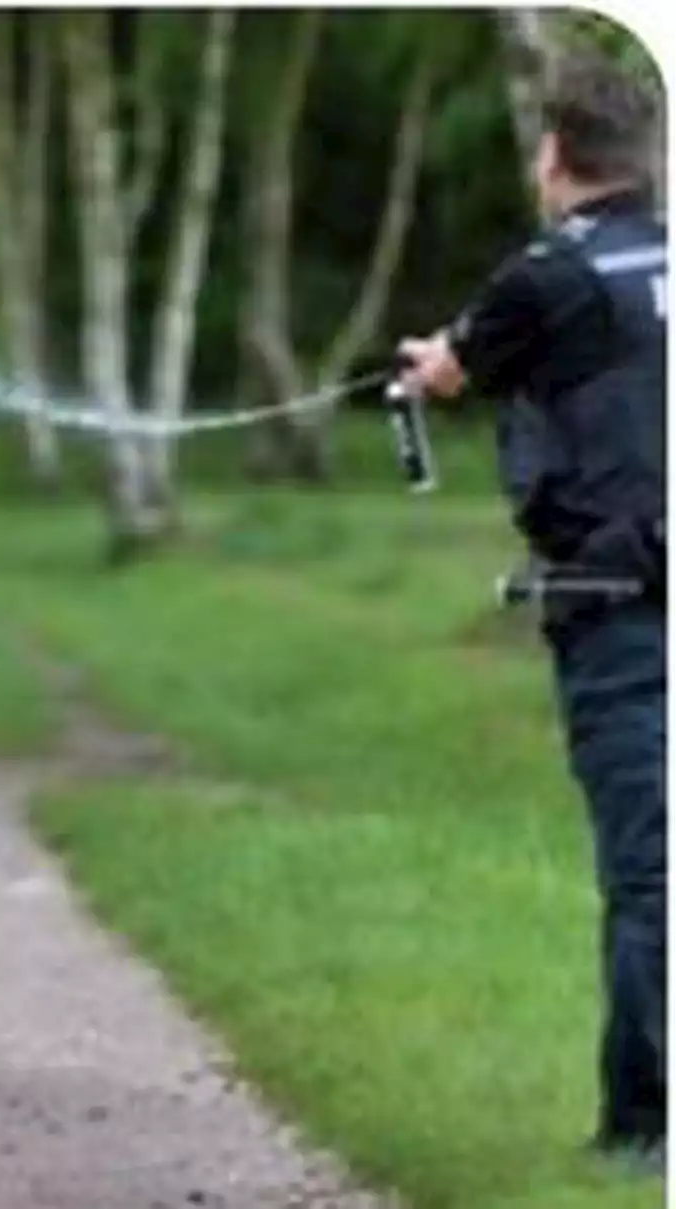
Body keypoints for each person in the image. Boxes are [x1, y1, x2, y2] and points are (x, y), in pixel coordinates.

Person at [397, 53, 666, 1173]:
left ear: (552, 156)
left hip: (623, 613)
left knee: (650, 875)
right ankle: (631, 1128)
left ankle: (649, 1136)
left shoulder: (545, 277)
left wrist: (423, 366)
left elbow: (451, 372)